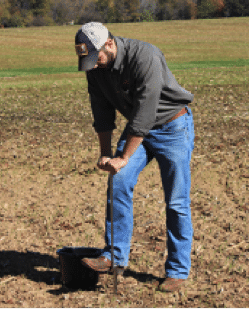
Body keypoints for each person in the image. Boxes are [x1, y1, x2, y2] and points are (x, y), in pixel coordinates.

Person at [75, 22, 195, 293]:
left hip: (172, 127)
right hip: (139, 130)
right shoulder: (96, 69)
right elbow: (102, 112)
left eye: (97, 58)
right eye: (88, 61)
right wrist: (106, 154)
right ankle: (113, 256)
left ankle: (177, 271)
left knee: (176, 201)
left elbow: (144, 113)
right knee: (118, 183)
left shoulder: (146, 56)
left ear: (109, 43)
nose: (93, 65)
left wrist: (123, 157)